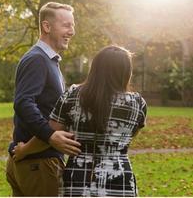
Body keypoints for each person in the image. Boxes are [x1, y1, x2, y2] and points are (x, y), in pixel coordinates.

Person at [13, 45, 147, 197]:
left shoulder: (73, 95)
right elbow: (130, 136)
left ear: (95, 68)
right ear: (126, 72)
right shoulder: (138, 104)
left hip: (78, 181)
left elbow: (50, 135)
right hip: (120, 182)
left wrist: (24, 150)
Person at [6, 2, 82, 197]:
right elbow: (23, 102)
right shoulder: (37, 59)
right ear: (47, 27)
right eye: (66, 25)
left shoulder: (48, 60)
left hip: (34, 161)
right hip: (39, 164)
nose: (72, 31)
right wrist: (50, 134)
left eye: (73, 25)